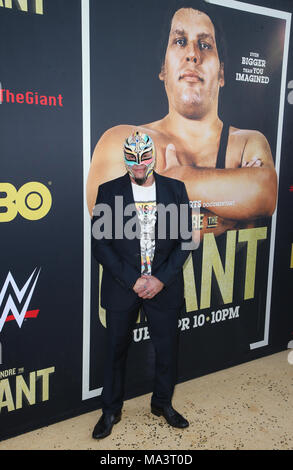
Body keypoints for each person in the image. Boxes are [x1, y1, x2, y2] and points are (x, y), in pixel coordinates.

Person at [86, 0, 277, 241]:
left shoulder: (248, 142)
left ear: (221, 74)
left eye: (205, 45)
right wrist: (230, 217)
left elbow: (264, 194)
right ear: (163, 69)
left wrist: (178, 178)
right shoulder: (125, 139)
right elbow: (111, 222)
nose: (193, 54)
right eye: (180, 41)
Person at [91, 131, 193, 439]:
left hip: (165, 286)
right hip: (123, 287)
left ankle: (162, 404)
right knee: (114, 352)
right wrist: (133, 279)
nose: (138, 167)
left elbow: (186, 240)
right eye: (132, 160)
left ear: (155, 157)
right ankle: (110, 410)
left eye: (144, 159)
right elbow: (100, 244)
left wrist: (160, 279)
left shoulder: (176, 189)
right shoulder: (108, 191)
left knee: (167, 351)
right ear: (124, 158)